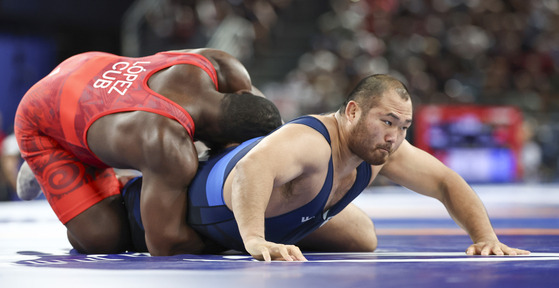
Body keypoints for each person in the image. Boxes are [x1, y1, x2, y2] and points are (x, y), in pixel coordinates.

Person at [122, 74, 530, 260]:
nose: (394, 137)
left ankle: (286, 219)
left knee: (364, 237)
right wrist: (254, 240)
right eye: (387, 122)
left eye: (403, 127)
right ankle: (123, 186)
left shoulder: (382, 149)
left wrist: (485, 237)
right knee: (100, 233)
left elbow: (444, 181)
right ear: (352, 111)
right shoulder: (312, 142)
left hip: (260, 214)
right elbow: (251, 170)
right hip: (171, 213)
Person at [14, 48, 283, 256]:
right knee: (104, 238)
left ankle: (106, 171)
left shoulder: (225, 67)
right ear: (222, 138)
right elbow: (165, 244)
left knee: (160, 170)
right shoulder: (168, 144)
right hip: (42, 114)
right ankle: (50, 158)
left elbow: (264, 118)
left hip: (90, 65)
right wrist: (240, 239)